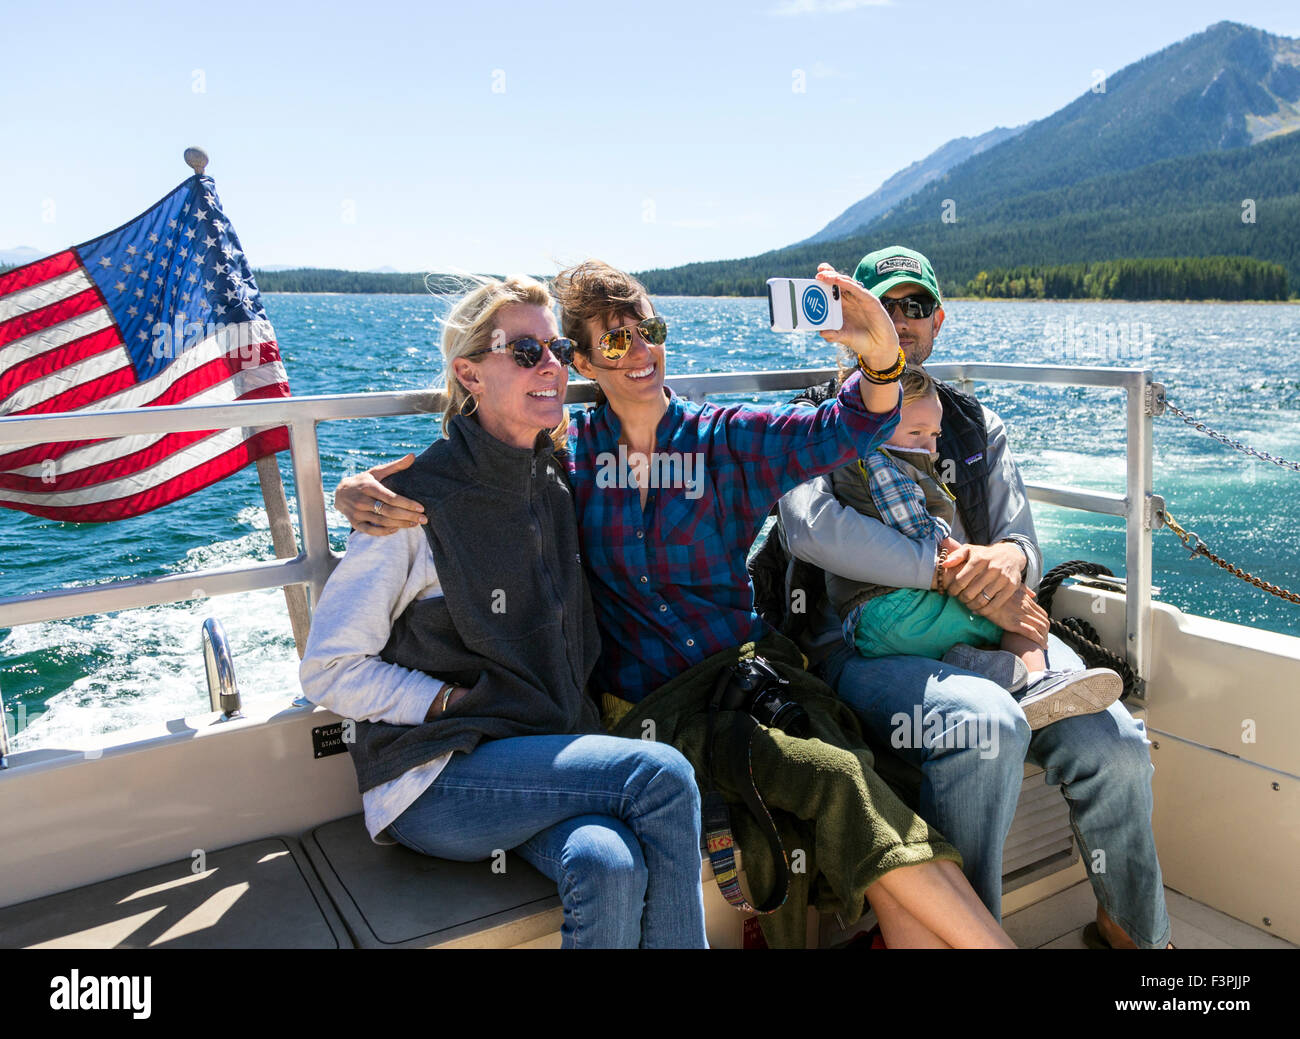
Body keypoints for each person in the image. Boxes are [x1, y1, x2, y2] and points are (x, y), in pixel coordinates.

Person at [338, 259, 1015, 949]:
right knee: (842, 781)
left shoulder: (723, 440)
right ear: (581, 359)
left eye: (650, 330)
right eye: (614, 342)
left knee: (865, 784)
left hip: (747, 680)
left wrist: (877, 360)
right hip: (649, 714)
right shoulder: (566, 459)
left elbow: (846, 430)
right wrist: (355, 487)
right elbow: (473, 469)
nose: (640, 353)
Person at [777, 245, 1171, 948]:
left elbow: (1022, 540)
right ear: (851, 313)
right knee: (984, 723)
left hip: (984, 622)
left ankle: (1133, 932)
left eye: (915, 305)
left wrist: (1005, 560)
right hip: (863, 641)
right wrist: (948, 568)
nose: (901, 319)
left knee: (1114, 738)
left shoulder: (972, 422)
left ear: (939, 320)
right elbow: (812, 530)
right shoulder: (813, 417)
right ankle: (968, 935)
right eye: (884, 305)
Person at [300, 275, 709, 949]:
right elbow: (328, 669)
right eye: (524, 351)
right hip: (438, 777)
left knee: (609, 864)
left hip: (536, 756)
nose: (549, 364)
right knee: (660, 775)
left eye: (553, 347)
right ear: (469, 373)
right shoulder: (406, 503)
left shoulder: (556, 480)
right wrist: (441, 701)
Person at [827, 363, 1123, 730]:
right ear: (877, 424)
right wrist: (987, 587)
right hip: (891, 612)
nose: (931, 447)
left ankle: (977, 664)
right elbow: (922, 531)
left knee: (1010, 605)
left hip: (888, 616)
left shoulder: (853, 451)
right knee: (1022, 616)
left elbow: (1015, 540)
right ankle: (1035, 684)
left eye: (935, 434)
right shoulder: (881, 466)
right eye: (916, 432)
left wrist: (1004, 566)